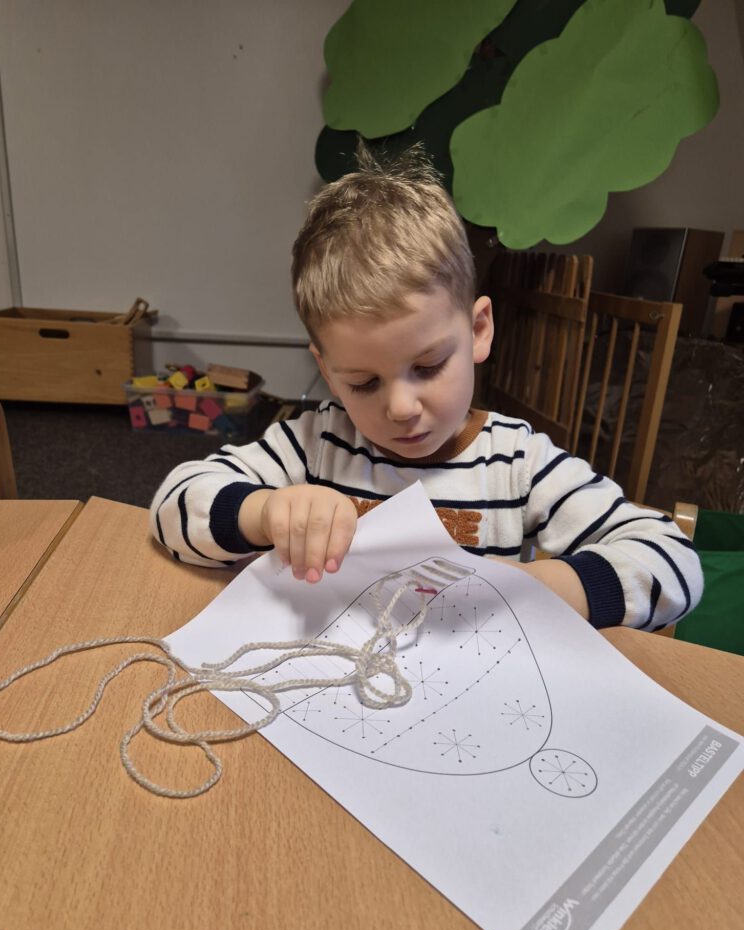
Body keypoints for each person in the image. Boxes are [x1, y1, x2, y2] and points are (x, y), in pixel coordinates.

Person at [150, 147, 702, 631]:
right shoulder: (315, 444)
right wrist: (265, 512)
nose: (400, 408)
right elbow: (173, 504)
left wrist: (546, 588)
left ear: (478, 330)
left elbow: (674, 562)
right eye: (363, 382)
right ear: (327, 369)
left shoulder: (518, 463)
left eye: (429, 366)